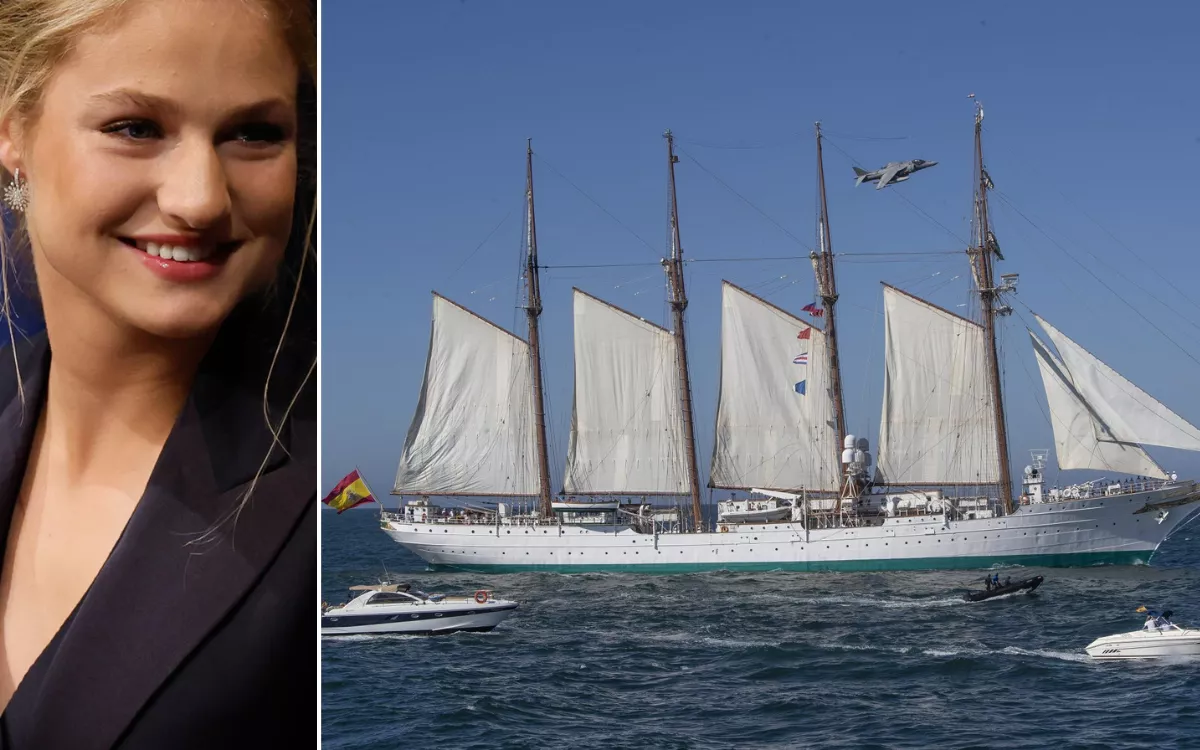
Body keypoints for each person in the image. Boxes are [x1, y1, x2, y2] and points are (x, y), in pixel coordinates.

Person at [0, 0, 316, 747]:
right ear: (13, 129)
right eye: (135, 129)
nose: (200, 197)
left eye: (254, 133)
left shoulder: (313, 494)